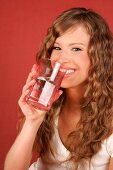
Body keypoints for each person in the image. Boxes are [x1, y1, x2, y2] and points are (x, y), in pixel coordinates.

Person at [4, 7, 113, 170]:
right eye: (57, 48)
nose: (62, 59)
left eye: (76, 49)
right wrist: (32, 122)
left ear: (99, 56)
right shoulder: (46, 103)